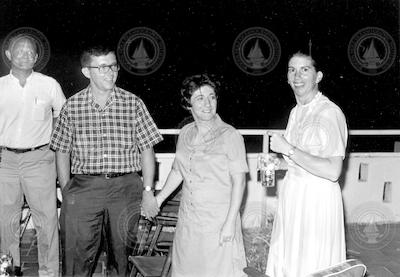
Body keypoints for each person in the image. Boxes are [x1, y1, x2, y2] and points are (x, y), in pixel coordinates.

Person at [49, 45, 162, 276]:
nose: (110, 72)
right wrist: (67, 188)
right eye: (102, 68)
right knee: (76, 255)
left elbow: (147, 149)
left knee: (121, 255)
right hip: (84, 188)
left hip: (125, 187)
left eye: (113, 66)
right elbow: (61, 150)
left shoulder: (133, 104)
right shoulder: (72, 106)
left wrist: (148, 191)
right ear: (86, 72)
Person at [154, 74, 248, 277]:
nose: (208, 104)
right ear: (188, 104)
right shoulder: (186, 132)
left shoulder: (230, 135)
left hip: (219, 222)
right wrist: (159, 199)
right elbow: (178, 170)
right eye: (200, 98)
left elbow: (239, 181)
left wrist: (230, 223)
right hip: (189, 221)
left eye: (212, 97)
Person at [266, 52, 348, 277]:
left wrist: (288, 149)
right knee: (291, 261)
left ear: (318, 76)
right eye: (292, 70)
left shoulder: (329, 113)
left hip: (317, 201)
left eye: (305, 70)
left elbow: (333, 170)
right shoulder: (295, 112)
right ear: (287, 78)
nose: (297, 76)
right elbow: (299, 161)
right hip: (293, 197)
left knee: (313, 261)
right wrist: (278, 162)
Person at [0, 34, 66, 277]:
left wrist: (53, 147)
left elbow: (62, 114)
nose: (25, 55)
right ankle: (9, 272)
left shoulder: (49, 84)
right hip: (4, 161)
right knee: (6, 223)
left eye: (31, 52)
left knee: (46, 222)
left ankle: (49, 273)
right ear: (8, 55)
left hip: (40, 159)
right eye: (20, 51)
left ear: (37, 57)